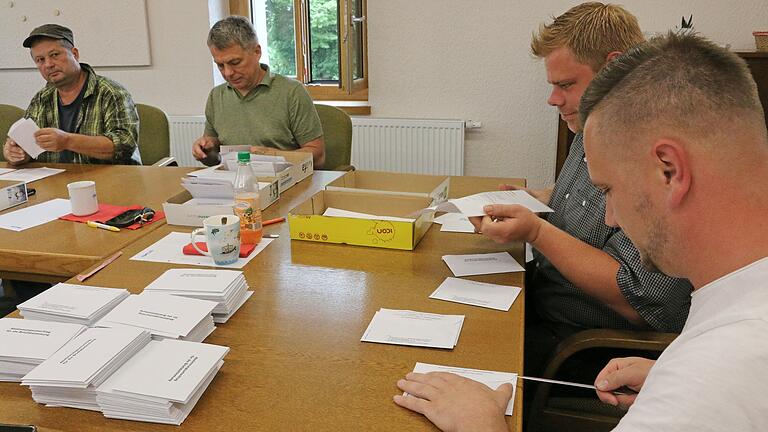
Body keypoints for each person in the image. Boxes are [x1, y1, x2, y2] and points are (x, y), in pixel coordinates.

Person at [395, 31, 768, 432]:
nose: (609, 218)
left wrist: (483, 425)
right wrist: (666, 369)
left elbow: (712, 382)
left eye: (608, 190)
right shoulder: (729, 330)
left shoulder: (712, 380)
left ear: (670, 170)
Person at [470, 2, 692, 377]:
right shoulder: (593, 123)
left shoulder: (656, 154)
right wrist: (538, 198)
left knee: (467, 351)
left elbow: (637, 295)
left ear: (613, 67)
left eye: (566, 85)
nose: (553, 99)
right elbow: (586, 197)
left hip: (588, 346)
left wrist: (536, 231)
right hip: (542, 301)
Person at [192, 16, 325, 168]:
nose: (228, 73)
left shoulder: (291, 92)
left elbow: (318, 156)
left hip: (285, 182)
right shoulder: (217, 96)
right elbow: (214, 159)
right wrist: (205, 150)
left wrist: (271, 155)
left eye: (235, 63)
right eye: (220, 65)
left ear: (257, 52)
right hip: (235, 183)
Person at [3, 24, 141, 165]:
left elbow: (124, 146)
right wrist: (17, 153)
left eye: (54, 55)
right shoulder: (41, 98)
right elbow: (29, 148)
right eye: (40, 60)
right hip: (55, 182)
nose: (48, 64)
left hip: (112, 180)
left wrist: (67, 141)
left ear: (74, 54)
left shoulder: (111, 92)